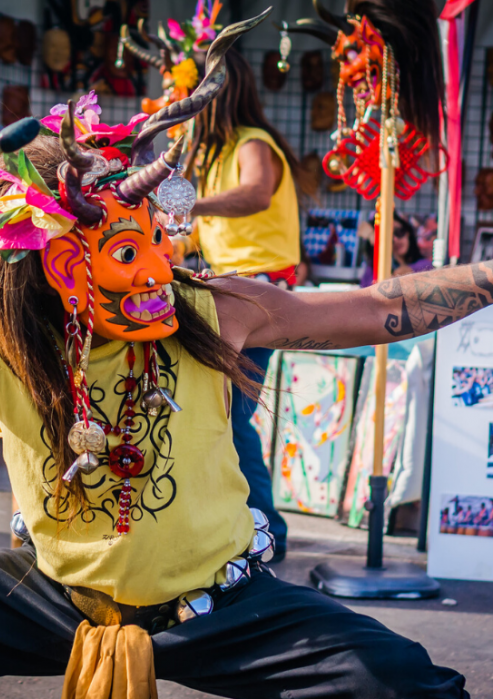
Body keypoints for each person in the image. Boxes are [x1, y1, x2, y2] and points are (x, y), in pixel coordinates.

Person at [0, 75, 493, 698]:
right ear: (47, 266)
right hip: (55, 594)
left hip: (223, 606)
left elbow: (376, 307)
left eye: (149, 235)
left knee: (402, 682)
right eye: (120, 248)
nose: (153, 265)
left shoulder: (216, 309)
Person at [187, 47, 314, 560]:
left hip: (256, 297)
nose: (186, 104)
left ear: (216, 92)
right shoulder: (214, 154)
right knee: (217, 414)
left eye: (194, 93)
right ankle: (243, 526)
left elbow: (258, 194)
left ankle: (268, 534)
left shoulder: (252, 143)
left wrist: (187, 201)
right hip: (228, 293)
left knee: (232, 416)